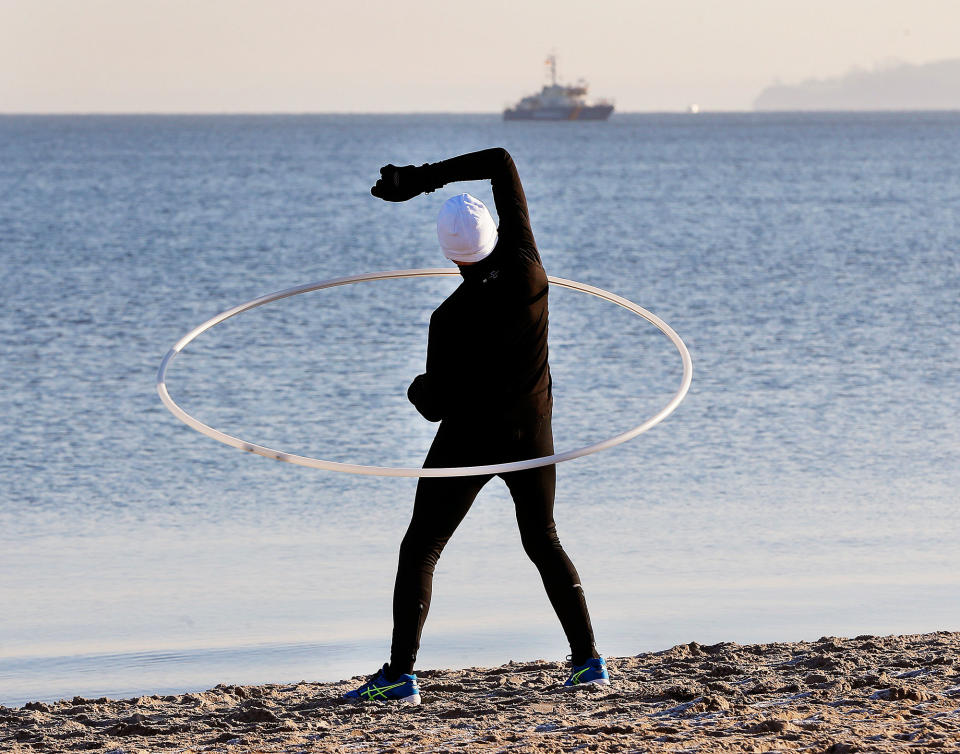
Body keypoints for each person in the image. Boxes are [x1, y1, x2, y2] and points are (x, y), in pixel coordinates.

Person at [345, 148, 608, 706]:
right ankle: (589, 662)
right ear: (496, 232)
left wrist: (415, 387)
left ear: (449, 256)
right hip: (532, 434)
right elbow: (502, 161)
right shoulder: (528, 267)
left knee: (422, 548)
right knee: (543, 539)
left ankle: (400, 676)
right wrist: (420, 179)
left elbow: (435, 405)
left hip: (470, 440)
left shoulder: (449, 319)